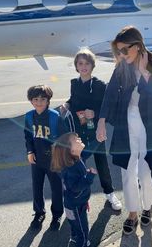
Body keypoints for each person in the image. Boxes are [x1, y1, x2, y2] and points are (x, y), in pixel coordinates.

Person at [96, 26, 152, 235]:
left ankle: (147, 206)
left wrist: (144, 72)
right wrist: (102, 120)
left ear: (138, 45)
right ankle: (132, 214)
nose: (122, 55)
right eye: (119, 51)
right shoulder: (122, 66)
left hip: (151, 127)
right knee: (127, 172)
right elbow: (110, 93)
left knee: (146, 172)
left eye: (125, 50)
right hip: (126, 125)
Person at [61, 47, 122, 211]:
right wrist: (67, 104)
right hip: (78, 132)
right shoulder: (74, 83)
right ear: (76, 66)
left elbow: (106, 107)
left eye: (87, 63)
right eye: (80, 63)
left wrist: (94, 113)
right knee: (77, 163)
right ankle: (76, 193)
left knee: (102, 163)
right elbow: (74, 99)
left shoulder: (99, 85)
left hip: (96, 132)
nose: (83, 66)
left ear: (92, 65)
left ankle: (109, 193)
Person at [24, 85, 67, 230]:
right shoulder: (29, 116)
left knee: (56, 188)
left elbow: (64, 138)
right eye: (35, 99)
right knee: (37, 186)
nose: (39, 102)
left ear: (48, 100)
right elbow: (28, 136)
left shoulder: (55, 116)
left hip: (53, 160)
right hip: (37, 159)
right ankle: (39, 213)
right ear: (31, 101)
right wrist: (30, 152)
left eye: (43, 99)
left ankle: (57, 214)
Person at [51, 132, 97, 247]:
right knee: (83, 232)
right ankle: (82, 243)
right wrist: (89, 177)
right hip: (76, 207)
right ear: (70, 150)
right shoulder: (72, 167)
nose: (79, 138)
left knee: (75, 227)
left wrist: (98, 140)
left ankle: (74, 239)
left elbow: (89, 151)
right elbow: (76, 188)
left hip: (74, 204)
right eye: (76, 139)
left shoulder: (76, 158)